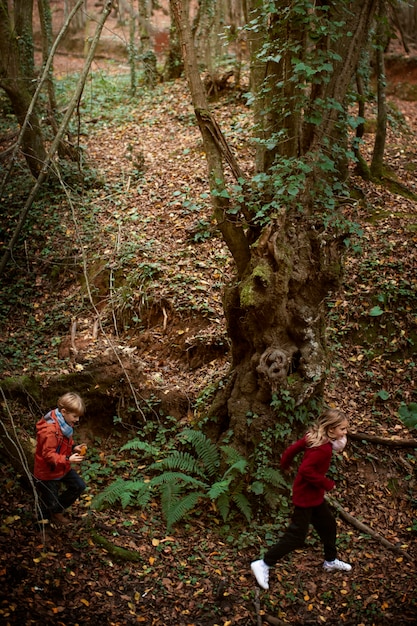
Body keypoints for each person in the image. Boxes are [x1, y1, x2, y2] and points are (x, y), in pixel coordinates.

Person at [251, 409, 351, 590]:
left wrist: (285, 464)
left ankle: (330, 561)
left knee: (328, 525)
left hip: (314, 496)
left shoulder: (312, 438)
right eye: (342, 429)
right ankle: (263, 563)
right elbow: (306, 471)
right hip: (305, 497)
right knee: (296, 536)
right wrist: (326, 483)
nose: (345, 433)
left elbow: (291, 450)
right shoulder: (323, 450)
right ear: (331, 430)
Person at [34, 392, 87, 525]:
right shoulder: (50, 430)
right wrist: (68, 459)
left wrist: (74, 447)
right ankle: (42, 525)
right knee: (49, 502)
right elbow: (48, 455)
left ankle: (56, 511)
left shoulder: (64, 424)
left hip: (61, 466)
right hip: (48, 471)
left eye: (78, 416)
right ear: (63, 412)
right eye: (75, 416)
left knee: (78, 486)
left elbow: (62, 443)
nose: (77, 420)